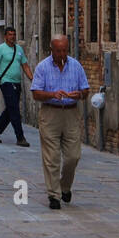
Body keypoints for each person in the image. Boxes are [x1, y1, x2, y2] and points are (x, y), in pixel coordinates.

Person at [30, 35, 89, 210]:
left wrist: (79, 94)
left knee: (73, 156)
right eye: (58, 51)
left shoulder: (76, 66)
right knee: (52, 157)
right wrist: (52, 94)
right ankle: (54, 195)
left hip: (71, 113)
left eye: (64, 50)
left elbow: (85, 89)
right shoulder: (43, 67)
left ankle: (64, 187)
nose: (62, 54)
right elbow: (35, 93)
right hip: (50, 114)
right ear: (52, 50)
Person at [0, 26, 33, 146]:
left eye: (14, 34)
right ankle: (20, 137)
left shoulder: (19, 50)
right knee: (15, 111)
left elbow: (25, 66)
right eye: (10, 34)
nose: (12, 37)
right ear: (5, 36)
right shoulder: (0, 49)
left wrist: (33, 79)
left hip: (17, 83)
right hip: (6, 83)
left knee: (10, 109)